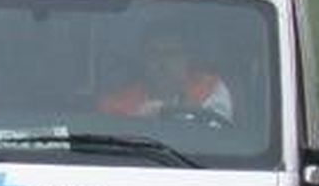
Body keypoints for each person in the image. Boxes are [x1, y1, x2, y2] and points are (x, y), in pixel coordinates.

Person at [98, 21, 233, 123]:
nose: (162, 63)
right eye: (154, 54)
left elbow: (217, 136)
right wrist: (140, 121)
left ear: (187, 57)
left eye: (171, 54)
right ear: (142, 60)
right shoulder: (116, 102)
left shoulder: (210, 88)